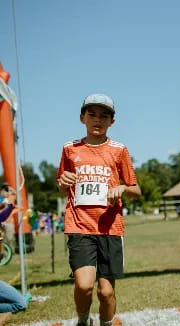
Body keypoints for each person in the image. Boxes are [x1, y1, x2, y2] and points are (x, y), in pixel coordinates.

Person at [56, 94, 141, 326]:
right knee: (83, 285)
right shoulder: (69, 148)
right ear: (82, 117)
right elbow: (63, 186)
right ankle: (83, 321)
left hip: (110, 227)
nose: (97, 120)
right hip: (79, 224)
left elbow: (136, 189)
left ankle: (106, 323)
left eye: (104, 116)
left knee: (105, 292)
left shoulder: (119, 150)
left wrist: (122, 188)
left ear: (112, 122)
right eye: (92, 114)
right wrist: (63, 182)